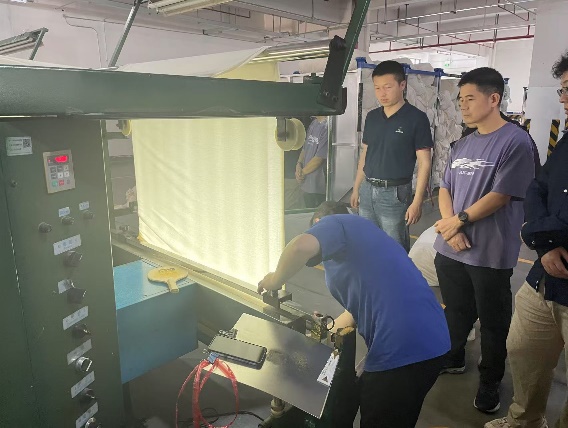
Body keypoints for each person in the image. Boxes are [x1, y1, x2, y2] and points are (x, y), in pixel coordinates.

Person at [258, 201, 450, 428]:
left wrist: (274, 280)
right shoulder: (363, 241)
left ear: (318, 223)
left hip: (403, 345)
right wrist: (323, 330)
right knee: (384, 407)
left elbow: (299, 247)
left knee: (379, 417)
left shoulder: (337, 223)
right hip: (432, 339)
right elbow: (354, 311)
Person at [433, 67, 535, 414]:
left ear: (494, 99)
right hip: (451, 249)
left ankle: (490, 380)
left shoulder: (515, 141)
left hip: (489, 252)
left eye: (469, 98)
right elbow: (445, 187)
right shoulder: (462, 143)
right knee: (456, 311)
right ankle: (454, 356)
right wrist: (451, 227)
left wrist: (458, 222)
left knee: (493, 323)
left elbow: (501, 194)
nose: (462, 105)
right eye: (460, 99)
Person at [485, 52, 568, 428]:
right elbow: (538, 189)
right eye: (562, 89)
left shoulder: (515, 141)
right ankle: (525, 420)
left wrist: (540, 234)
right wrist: (545, 244)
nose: (563, 98)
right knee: (523, 349)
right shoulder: (566, 142)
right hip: (545, 276)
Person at [350, 60, 433, 252]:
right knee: (368, 242)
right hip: (367, 189)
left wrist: (417, 201)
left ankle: (396, 273)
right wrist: (356, 188)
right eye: (377, 88)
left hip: (395, 193)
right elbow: (365, 155)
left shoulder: (416, 118)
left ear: (402, 85)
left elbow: (425, 163)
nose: (382, 93)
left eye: (388, 87)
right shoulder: (372, 117)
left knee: (394, 247)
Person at [296, 116, 328, 208]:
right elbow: (305, 148)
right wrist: (298, 164)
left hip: (318, 186)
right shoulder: (313, 123)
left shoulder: (326, 126)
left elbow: (319, 158)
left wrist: (301, 173)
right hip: (306, 183)